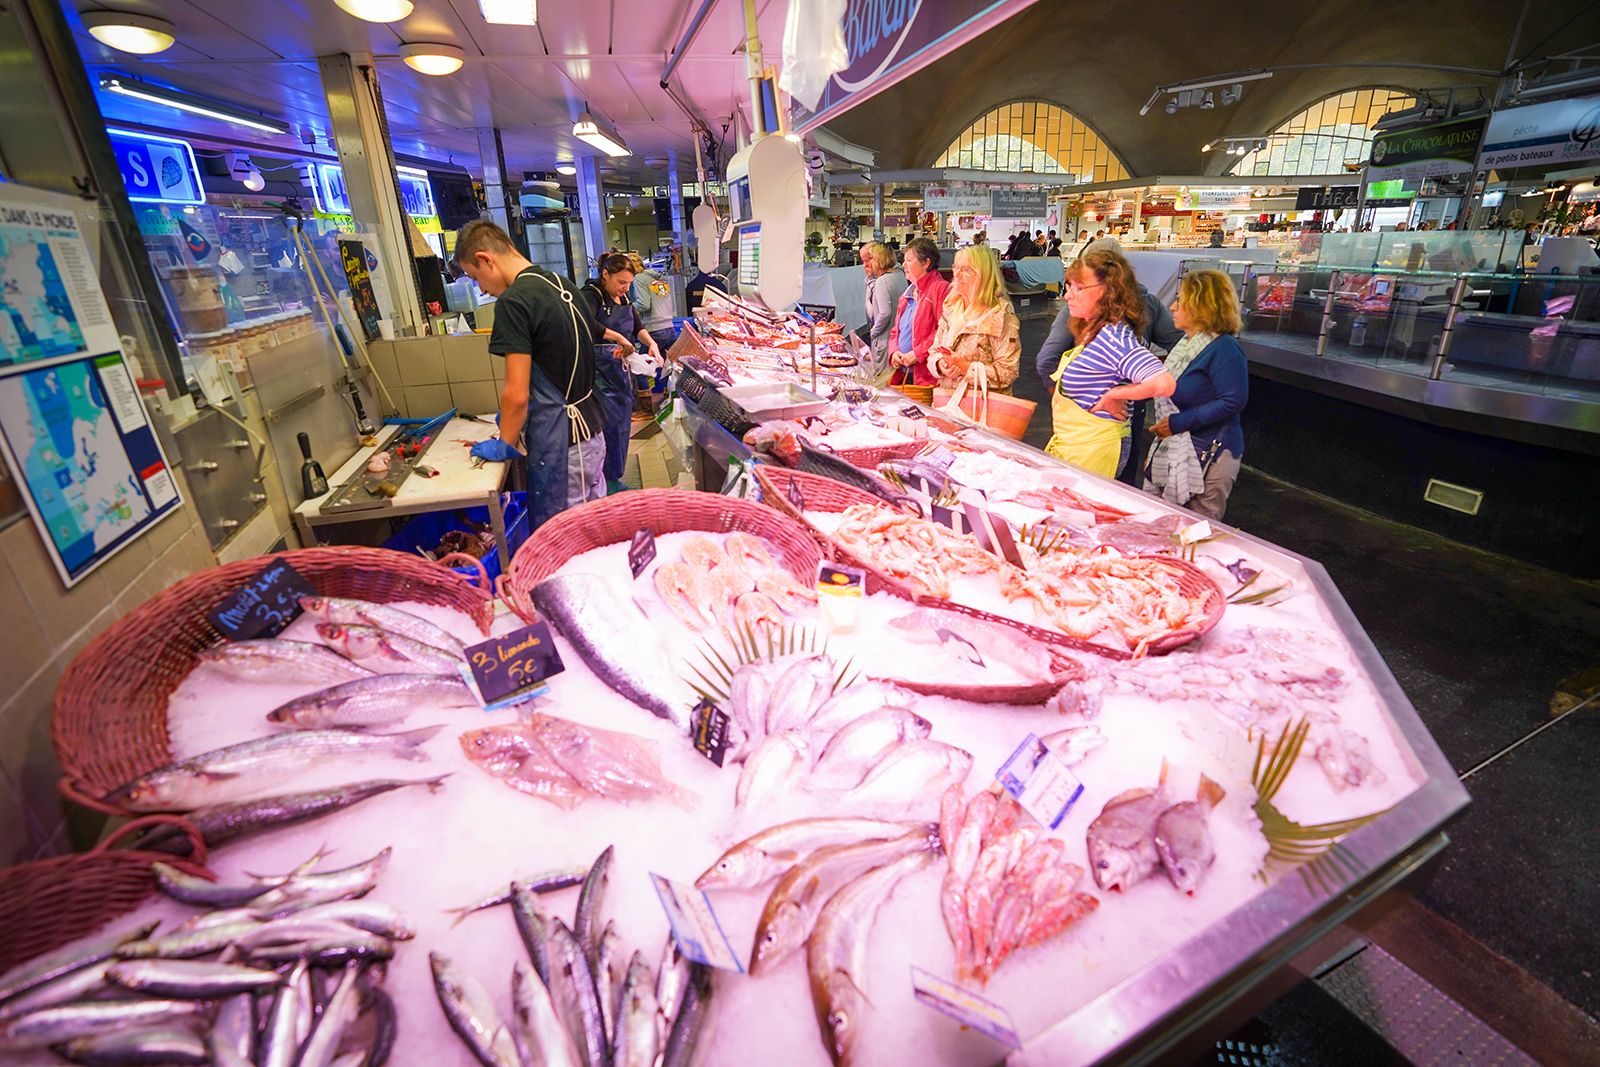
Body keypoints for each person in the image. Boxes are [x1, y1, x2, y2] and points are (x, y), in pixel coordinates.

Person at [454, 219, 605, 527]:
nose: (481, 289)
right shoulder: (563, 284)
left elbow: (516, 393)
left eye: (475, 277)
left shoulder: (514, 301)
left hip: (564, 446)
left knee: (566, 544)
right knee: (594, 537)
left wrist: (505, 442)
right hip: (592, 435)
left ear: (485, 259)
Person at [1041, 249, 1176, 477]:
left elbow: (1163, 382)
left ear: (1109, 293)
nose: (1068, 295)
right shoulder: (1094, 332)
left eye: (1079, 288)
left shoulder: (1113, 337)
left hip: (1094, 451)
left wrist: (1116, 395)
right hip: (1078, 446)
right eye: (1069, 286)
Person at [1143, 270, 1248, 520]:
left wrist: (1178, 424)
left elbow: (1233, 400)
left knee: (1195, 532)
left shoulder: (1225, 348)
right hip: (1184, 447)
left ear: (1201, 306)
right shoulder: (1186, 345)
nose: (1172, 306)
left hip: (1209, 456)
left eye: (1180, 300)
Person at [582, 252, 661, 494]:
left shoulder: (624, 298)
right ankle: (605, 482)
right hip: (599, 375)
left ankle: (616, 476)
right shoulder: (591, 294)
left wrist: (651, 343)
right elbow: (586, 322)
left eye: (628, 283)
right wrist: (616, 337)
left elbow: (637, 326)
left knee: (623, 426)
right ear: (605, 275)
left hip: (620, 373)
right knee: (608, 429)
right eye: (621, 282)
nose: (625, 288)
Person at [929, 245, 1021, 393]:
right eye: (955, 267)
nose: (956, 274)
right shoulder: (950, 307)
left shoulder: (1000, 315)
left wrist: (965, 367)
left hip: (981, 409)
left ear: (984, 276)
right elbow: (934, 350)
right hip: (947, 404)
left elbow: (1008, 372)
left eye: (966, 270)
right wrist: (940, 364)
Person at [887, 237, 951, 388]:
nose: (903, 265)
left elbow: (945, 331)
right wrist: (894, 353)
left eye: (909, 260)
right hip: (903, 375)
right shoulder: (907, 295)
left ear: (926, 263)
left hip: (926, 379)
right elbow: (896, 332)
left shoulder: (941, 289)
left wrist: (917, 354)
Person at [861, 241, 908, 372]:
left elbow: (884, 313)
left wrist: (873, 332)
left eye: (871, 259)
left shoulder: (883, 281)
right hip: (897, 339)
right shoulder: (899, 275)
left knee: (882, 382)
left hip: (884, 340)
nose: (868, 264)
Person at [628, 253, 676, 351]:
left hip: (655, 330)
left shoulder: (639, 278)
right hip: (670, 329)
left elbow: (643, 305)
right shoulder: (657, 277)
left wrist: (626, 307)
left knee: (643, 365)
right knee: (662, 365)